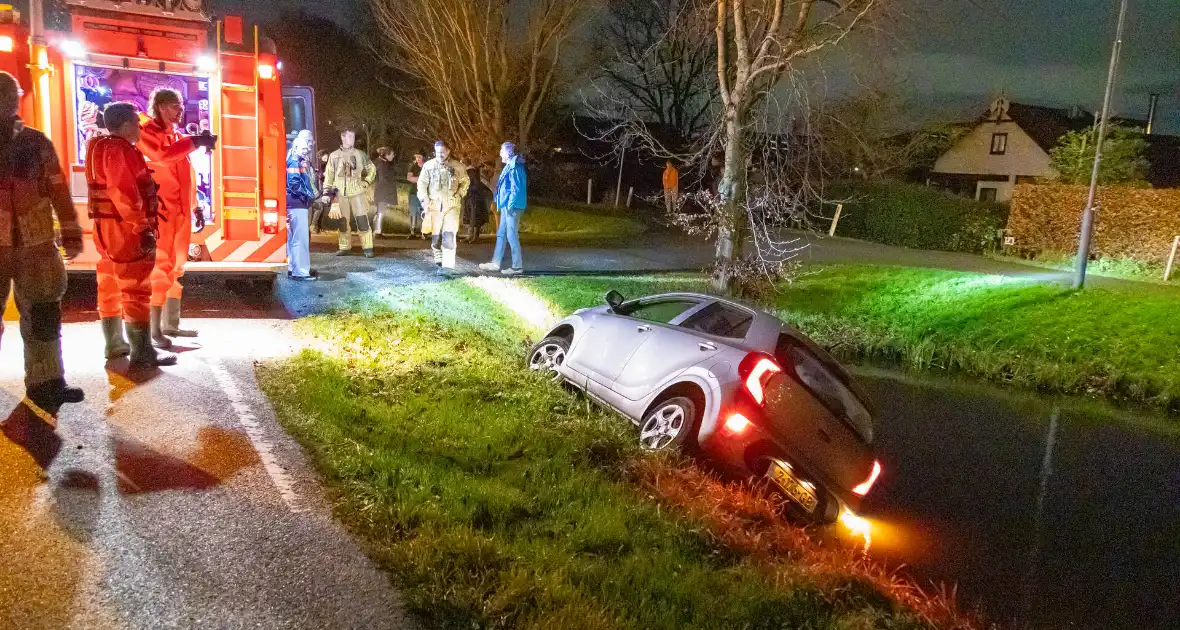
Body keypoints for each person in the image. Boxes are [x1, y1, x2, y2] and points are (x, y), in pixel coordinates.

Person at [0, 72, 86, 413]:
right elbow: (58, 189)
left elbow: (57, 188)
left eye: (10, 96)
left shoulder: (36, 143)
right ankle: (46, 384)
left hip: (35, 247)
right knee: (43, 314)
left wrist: (71, 232)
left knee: (44, 314)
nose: (8, 102)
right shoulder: (35, 142)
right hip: (30, 246)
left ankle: (46, 383)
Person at [89, 102, 176, 368]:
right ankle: (142, 352)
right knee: (135, 288)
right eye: (136, 124)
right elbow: (124, 193)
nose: (140, 128)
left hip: (106, 229)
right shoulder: (119, 150)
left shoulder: (98, 147)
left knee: (109, 285)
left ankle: (115, 344)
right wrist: (141, 227)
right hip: (124, 230)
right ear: (126, 125)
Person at [138, 87, 217, 349]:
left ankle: (170, 324)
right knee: (161, 267)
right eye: (175, 105)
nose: (180, 110)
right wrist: (196, 142)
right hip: (160, 212)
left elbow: (188, 176)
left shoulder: (176, 136)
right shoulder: (147, 134)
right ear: (160, 106)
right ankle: (154, 330)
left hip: (180, 212)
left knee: (176, 267)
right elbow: (161, 157)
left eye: (181, 105)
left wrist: (195, 207)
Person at [322, 127, 376, 257]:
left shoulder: (360, 154)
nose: (353, 139)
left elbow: (372, 169)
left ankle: (368, 247)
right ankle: (344, 247)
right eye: (350, 136)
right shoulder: (334, 156)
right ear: (343, 137)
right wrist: (326, 192)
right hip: (340, 193)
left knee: (362, 220)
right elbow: (329, 175)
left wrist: (366, 182)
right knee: (342, 221)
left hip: (357, 192)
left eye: (353, 137)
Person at [417, 140, 468, 275]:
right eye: (437, 152)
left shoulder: (458, 167)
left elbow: (465, 182)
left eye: (442, 152)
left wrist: (459, 195)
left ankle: (448, 267)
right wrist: (425, 202)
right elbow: (421, 185)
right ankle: (436, 250)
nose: (440, 155)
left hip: (452, 206)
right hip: (434, 205)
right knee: (436, 236)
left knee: (449, 235)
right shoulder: (428, 166)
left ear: (448, 151)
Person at [480, 142, 528, 275]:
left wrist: (510, 205)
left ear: (508, 152)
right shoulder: (510, 166)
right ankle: (495, 263)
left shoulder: (515, 167)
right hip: (508, 206)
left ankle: (517, 267)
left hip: (512, 207)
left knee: (511, 235)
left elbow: (516, 189)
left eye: (502, 151)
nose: (500, 153)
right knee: (501, 234)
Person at [285, 130, 318, 282]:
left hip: (294, 203)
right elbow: (294, 184)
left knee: (293, 239)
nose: (306, 151)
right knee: (300, 239)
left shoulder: (294, 158)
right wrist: (308, 196)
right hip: (297, 204)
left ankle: (293, 268)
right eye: (304, 148)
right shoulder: (294, 161)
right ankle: (301, 272)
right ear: (298, 146)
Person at [461, 160, 491, 243]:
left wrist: (467, 189)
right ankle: (470, 236)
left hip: (475, 197)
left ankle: (475, 237)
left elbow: (476, 185)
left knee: (475, 216)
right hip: (470, 197)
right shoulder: (468, 172)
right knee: (470, 216)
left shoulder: (472, 172)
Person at [373, 147, 398, 237]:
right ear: (387, 155)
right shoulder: (383, 164)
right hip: (382, 192)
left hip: (381, 192)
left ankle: (377, 231)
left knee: (379, 212)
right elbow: (384, 179)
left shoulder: (382, 163)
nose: (393, 156)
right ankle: (377, 232)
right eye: (392, 154)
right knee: (380, 212)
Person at [406, 153, 425, 239]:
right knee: (413, 212)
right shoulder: (413, 167)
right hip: (414, 192)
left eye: (419, 157)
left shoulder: (427, 167)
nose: (418, 158)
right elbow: (409, 178)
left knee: (424, 213)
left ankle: (424, 232)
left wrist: (416, 179)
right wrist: (421, 179)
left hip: (424, 193)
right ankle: (412, 232)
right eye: (416, 157)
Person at [310, 149, 330, 234]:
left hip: (329, 188)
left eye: (324, 156)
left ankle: (318, 226)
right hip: (321, 189)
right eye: (322, 157)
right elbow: (320, 176)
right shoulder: (322, 166)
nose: (323, 158)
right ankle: (315, 225)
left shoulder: (333, 164)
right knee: (320, 207)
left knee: (322, 207)